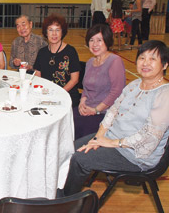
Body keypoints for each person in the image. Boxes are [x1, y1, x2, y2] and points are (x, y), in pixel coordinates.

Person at [62, 40, 169, 197]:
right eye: (142, 58)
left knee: (79, 158)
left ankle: (65, 202)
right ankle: (62, 190)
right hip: (111, 139)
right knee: (67, 148)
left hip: (134, 155)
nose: (145, 63)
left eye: (152, 59)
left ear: (165, 65)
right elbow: (112, 112)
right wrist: (99, 137)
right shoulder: (134, 85)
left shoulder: (164, 95)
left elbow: (150, 137)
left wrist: (111, 143)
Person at [74, 24, 126, 140]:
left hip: (104, 113)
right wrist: (82, 102)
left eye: (99, 40)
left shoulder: (114, 61)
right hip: (88, 108)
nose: (95, 44)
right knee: (66, 122)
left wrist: (96, 110)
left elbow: (116, 92)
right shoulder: (90, 62)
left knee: (80, 130)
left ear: (107, 41)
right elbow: (86, 88)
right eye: (91, 40)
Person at [33, 13, 81, 106]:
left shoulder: (71, 51)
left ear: (62, 32)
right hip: (46, 96)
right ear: (46, 33)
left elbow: (74, 80)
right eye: (50, 30)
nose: (54, 34)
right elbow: (38, 74)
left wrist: (59, 94)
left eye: (57, 30)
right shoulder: (42, 52)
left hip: (66, 96)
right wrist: (43, 93)